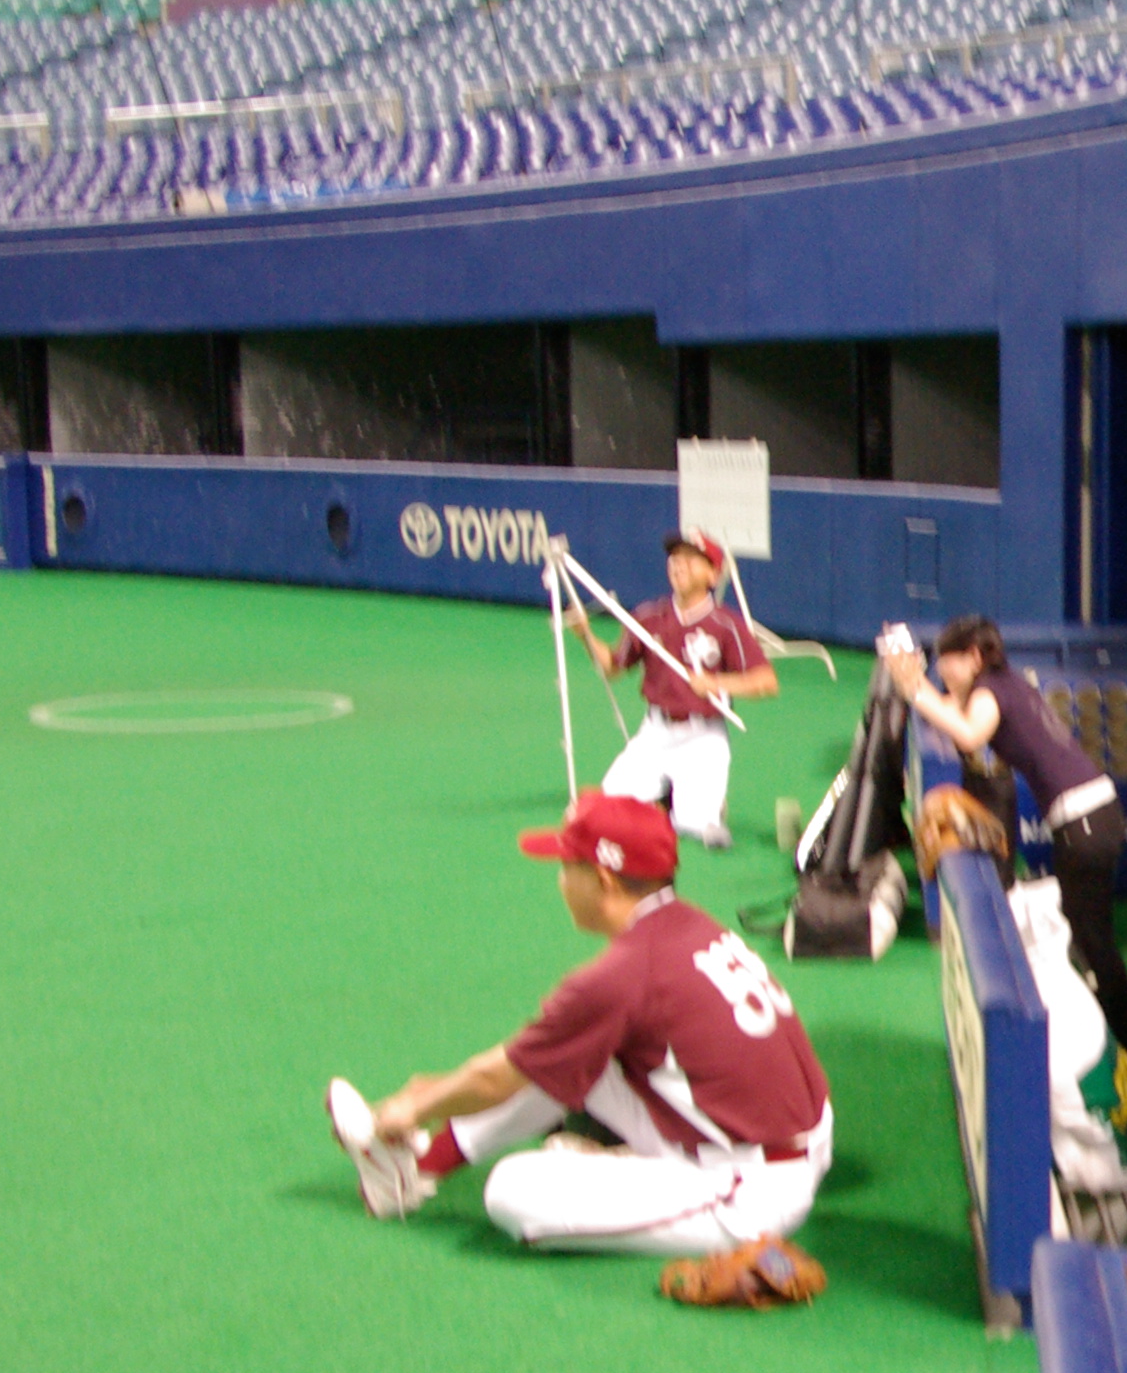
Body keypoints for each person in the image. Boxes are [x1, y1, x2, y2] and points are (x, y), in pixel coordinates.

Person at [323, 792, 835, 1309]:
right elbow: (525, 1064)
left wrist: (411, 1107)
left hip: (751, 1188)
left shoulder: (624, 974)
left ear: (604, 881)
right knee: (571, 1058)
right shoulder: (691, 925)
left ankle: (627, 1174)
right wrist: (435, 1094)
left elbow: (493, 1080)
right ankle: (413, 1173)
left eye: (567, 867)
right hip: (786, 1138)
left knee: (512, 1191)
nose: (560, 880)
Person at [885, 616, 1127, 1118]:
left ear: (974, 657)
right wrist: (916, 683)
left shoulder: (990, 691)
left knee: (1093, 936)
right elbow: (955, 714)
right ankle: (1119, 1037)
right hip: (1092, 815)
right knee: (1086, 929)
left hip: (1086, 821)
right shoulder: (1005, 684)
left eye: (948, 663)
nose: (944, 672)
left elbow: (967, 734)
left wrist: (915, 688)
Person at [572, 531, 777, 852]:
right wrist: (585, 634)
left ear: (712, 574)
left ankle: (693, 804)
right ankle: (662, 797)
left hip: (702, 736)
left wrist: (716, 683)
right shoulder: (648, 617)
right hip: (654, 733)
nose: (679, 565)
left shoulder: (726, 624)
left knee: (698, 827)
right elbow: (613, 667)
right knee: (609, 811)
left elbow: (766, 682)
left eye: (691, 560)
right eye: (675, 558)